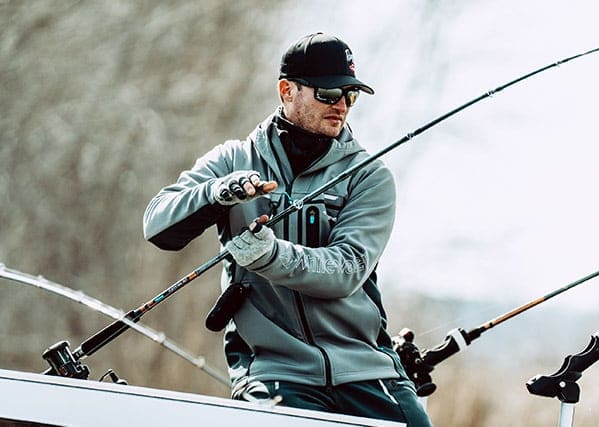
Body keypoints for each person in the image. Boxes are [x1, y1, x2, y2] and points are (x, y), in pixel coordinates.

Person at [143, 32, 431, 426]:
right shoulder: (232, 159)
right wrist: (215, 193)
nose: (342, 106)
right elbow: (158, 225)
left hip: (367, 371)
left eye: (351, 95)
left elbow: (346, 271)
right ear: (287, 91)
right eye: (329, 94)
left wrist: (270, 255)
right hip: (274, 372)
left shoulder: (369, 176)